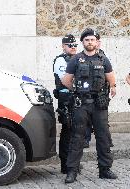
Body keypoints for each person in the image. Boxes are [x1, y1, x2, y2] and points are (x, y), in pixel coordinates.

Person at [62, 28, 117, 183]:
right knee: (77, 137)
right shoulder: (76, 59)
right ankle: (72, 171)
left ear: (97, 42)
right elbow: (66, 81)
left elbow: (111, 79)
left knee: (103, 137)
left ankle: (105, 169)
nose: (90, 42)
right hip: (81, 104)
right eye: (87, 40)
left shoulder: (103, 59)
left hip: (99, 105)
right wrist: (77, 91)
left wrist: (112, 88)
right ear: (83, 42)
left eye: (92, 40)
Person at [53, 34, 78, 174]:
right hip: (66, 98)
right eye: (70, 45)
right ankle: (65, 164)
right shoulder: (61, 60)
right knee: (67, 131)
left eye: (75, 45)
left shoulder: (79, 58)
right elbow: (65, 81)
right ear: (63, 46)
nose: (73, 47)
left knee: (77, 132)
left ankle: (73, 163)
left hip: (76, 97)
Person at [84, 33, 114, 149]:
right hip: (88, 92)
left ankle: (107, 140)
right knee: (87, 118)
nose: (94, 43)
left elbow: (109, 74)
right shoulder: (84, 56)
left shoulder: (103, 57)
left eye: (96, 40)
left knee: (103, 119)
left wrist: (112, 86)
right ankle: (86, 140)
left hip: (101, 93)